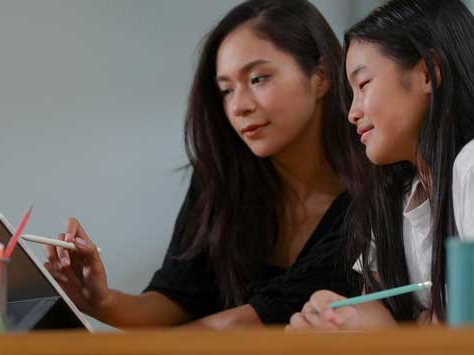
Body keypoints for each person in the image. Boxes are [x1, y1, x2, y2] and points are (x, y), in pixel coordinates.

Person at [45, 0, 360, 329]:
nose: (238, 106)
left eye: (258, 79)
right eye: (226, 90)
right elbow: (178, 296)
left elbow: (252, 322)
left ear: (320, 76)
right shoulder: (222, 178)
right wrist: (101, 301)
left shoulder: (377, 195)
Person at [287, 0, 474, 331]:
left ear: (429, 72)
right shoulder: (392, 197)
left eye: (363, 85)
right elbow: (378, 310)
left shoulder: (470, 164)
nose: (352, 112)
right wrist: (339, 318)